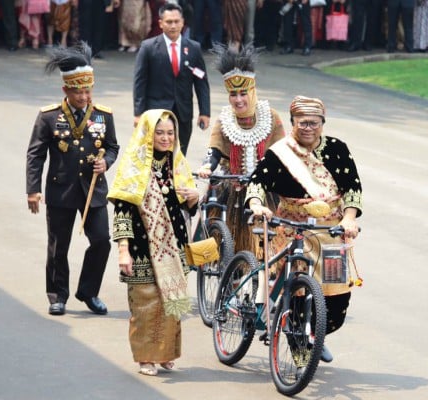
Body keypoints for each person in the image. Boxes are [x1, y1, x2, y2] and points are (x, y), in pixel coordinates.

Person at [245, 95, 362, 362]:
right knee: (298, 293)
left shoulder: (337, 149)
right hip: (291, 229)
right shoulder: (280, 153)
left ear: (322, 123)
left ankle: (315, 334)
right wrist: (256, 204)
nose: (307, 128)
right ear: (293, 123)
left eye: (313, 122)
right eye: (301, 123)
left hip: (331, 233)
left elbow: (353, 188)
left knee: (336, 301)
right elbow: (257, 183)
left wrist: (349, 218)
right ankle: (299, 348)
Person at [26, 42, 120, 316]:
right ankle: (58, 295)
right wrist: (32, 190)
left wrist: (107, 162)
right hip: (61, 189)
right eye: (78, 90)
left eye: (88, 89)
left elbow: (113, 146)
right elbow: (35, 155)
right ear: (66, 90)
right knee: (58, 246)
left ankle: (88, 292)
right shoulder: (49, 117)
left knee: (102, 240)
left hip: (93, 189)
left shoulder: (103, 115)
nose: (83, 95)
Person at [107, 109, 200, 377]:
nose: (165, 138)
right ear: (148, 133)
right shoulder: (133, 166)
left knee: (173, 302)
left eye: (170, 133)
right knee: (145, 305)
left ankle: (166, 353)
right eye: (159, 132)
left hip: (175, 247)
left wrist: (195, 197)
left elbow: (188, 207)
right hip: (141, 248)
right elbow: (122, 212)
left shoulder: (177, 163)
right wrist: (123, 251)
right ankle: (146, 357)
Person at [197, 43, 286, 253]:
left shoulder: (271, 117)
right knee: (217, 235)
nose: (238, 100)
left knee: (273, 245)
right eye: (233, 94)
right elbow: (214, 150)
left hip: (266, 189)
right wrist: (207, 167)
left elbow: (284, 152)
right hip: (232, 187)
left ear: (252, 92)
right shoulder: (224, 119)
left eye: (243, 93)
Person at [133, 1, 210, 155]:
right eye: (169, 22)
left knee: (180, 156)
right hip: (156, 111)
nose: (173, 26)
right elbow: (140, 82)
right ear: (161, 23)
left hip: (183, 112)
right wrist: (138, 113)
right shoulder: (148, 47)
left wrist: (205, 112)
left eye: (176, 21)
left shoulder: (193, 48)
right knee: (156, 157)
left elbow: (201, 82)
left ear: (183, 23)